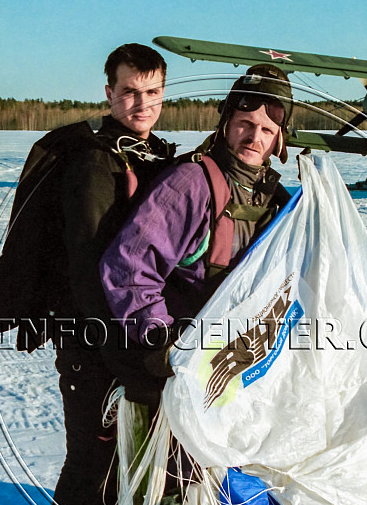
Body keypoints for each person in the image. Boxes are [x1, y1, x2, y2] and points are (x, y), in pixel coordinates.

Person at [34, 43, 176, 505]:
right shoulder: (94, 165)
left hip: (131, 341)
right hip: (93, 344)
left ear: (163, 95)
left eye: (151, 93)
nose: (139, 103)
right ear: (108, 93)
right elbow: (92, 271)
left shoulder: (153, 156)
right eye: (127, 91)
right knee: (88, 468)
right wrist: (124, 354)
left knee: (124, 462)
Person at [99, 64, 294, 402]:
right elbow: (128, 265)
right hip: (185, 373)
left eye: (266, 129)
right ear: (226, 125)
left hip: (243, 370)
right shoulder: (190, 184)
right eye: (245, 124)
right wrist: (163, 338)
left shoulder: (278, 201)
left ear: (279, 139)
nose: (254, 137)